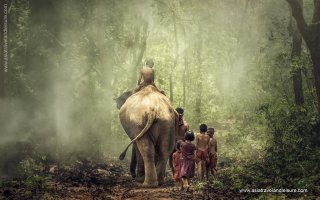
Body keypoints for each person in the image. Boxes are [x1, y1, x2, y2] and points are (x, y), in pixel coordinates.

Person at [169, 107, 189, 173]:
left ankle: (174, 174)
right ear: (183, 114)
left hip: (172, 143)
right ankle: (180, 174)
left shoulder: (171, 124)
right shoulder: (186, 124)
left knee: (172, 158)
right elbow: (187, 137)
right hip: (181, 144)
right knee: (182, 159)